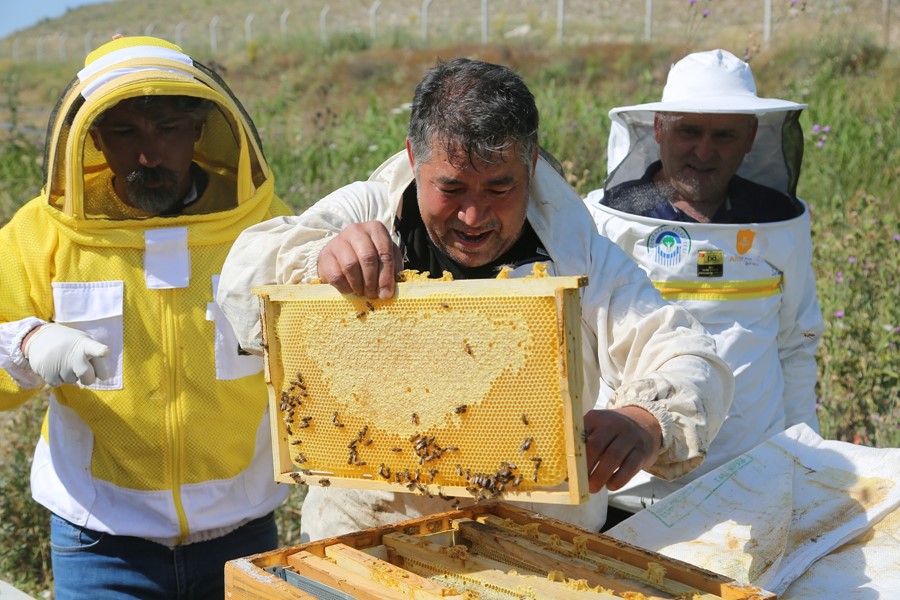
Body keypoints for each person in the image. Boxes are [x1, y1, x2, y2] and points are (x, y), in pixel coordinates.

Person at [216, 57, 735, 542]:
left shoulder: (580, 252)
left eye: (499, 187)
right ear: (414, 157)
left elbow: (689, 353)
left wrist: (647, 420)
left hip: (531, 544)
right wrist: (316, 259)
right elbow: (243, 275)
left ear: (530, 162)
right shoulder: (368, 205)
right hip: (365, 534)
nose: (473, 215)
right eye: (452, 188)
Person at [0, 36, 291, 598]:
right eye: (125, 132)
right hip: (101, 540)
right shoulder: (43, 234)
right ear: (93, 140)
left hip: (242, 531)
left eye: (168, 129)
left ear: (201, 130)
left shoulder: (261, 227)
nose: (147, 155)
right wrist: (27, 341)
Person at [584, 49, 824, 524]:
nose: (705, 151)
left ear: (751, 137)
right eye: (689, 131)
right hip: (630, 488)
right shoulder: (605, 219)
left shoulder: (780, 222)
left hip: (754, 482)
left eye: (724, 135)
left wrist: (805, 459)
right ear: (659, 128)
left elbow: (796, 343)